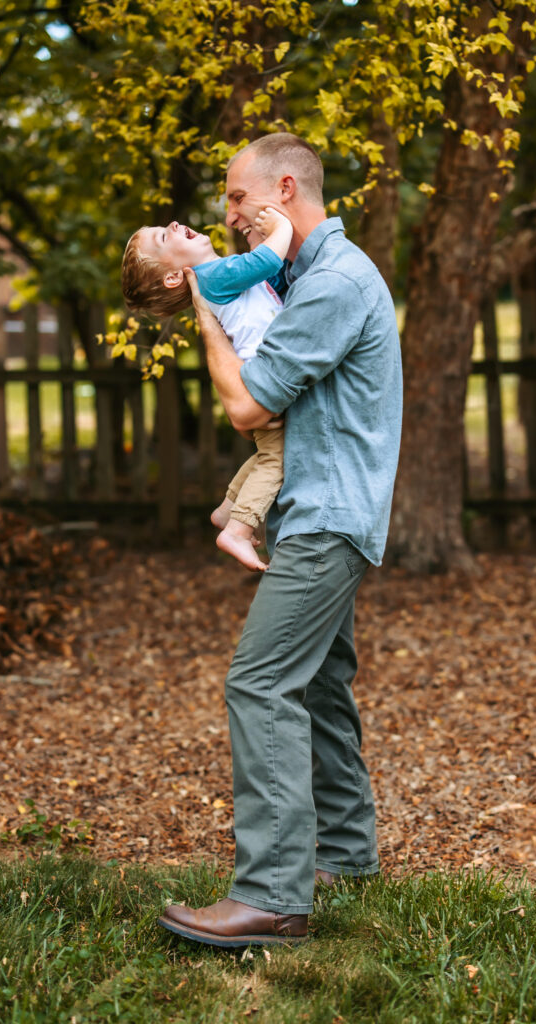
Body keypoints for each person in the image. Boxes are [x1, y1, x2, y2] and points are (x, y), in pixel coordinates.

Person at [157, 132, 403, 949]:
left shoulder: (332, 281)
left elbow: (248, 409)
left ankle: (269, 897)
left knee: (258, 683)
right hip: (321, 508)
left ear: (283, 187)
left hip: (329, 513)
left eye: (235, 198)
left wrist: (203, 313)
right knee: (322, 683)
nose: (225, 216)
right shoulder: (303, 272)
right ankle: (345, 854)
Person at [121, 207, 293, 571]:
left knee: (269, 454)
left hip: (259, 377)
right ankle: (239, 528)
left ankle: (229, 507)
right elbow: (266, 262)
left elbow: (270, 283)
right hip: (263, 381)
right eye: (163, 237)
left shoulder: (220, 277)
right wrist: (283, 226)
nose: (172, 224)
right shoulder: (213, 275)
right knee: (278, 460)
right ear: (172, 278)